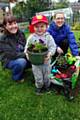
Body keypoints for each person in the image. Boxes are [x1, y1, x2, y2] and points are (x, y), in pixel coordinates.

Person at [24, 15, 56, 95]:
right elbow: (27, 47)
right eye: (37, 27)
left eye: (42, 26)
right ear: (33, 27)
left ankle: (47, 86)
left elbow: (53, 47)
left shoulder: (49, 37)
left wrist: (50, 54)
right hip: (35, 62)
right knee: (38, 76)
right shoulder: (31, 37)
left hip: (46, 61)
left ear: (46, 26)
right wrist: (27, 54)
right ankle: (39, 87)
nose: (39, 29)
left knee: (47, 75)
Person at [0, 14, 31, 82]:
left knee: (35, 57)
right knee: (21, 62)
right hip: (8, 60)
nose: (13, 26)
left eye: (15, 23)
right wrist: (26, 55)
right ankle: (16, 77)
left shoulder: (21, 34)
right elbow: (12, 55)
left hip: (21, 54)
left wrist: (31, 54)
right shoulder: (3, 39)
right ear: (5, 26)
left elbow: (26, 46)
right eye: (10, 24)